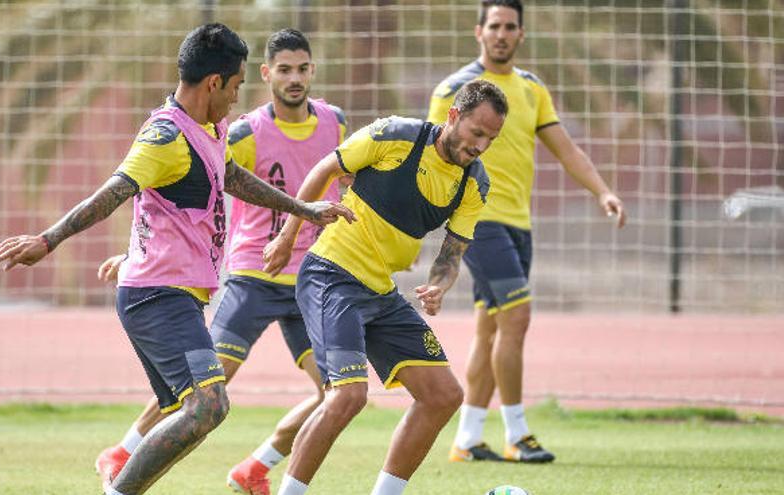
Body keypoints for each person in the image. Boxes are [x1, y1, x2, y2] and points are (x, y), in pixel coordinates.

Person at [0, 23, 353, 495]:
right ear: (214, 83)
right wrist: (50, 238)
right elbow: (116, 190)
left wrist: (303, 209)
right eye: (238, 85)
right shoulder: (164, 137)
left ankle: (121, 477)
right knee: (208, 406)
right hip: (155, 296)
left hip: (176, 294)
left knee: (200, 408)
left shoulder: (211, 129)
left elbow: (233, 177)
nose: (238, 97)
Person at [263, 80, 507, 495]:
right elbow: (325, 169)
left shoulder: (473, 183)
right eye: (476, 132)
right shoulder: (396, 135)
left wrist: (439, 285)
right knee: (347, 397)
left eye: (491, 138)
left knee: (444, 395)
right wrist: (287, 238)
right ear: (453, 117)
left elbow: (452, 255)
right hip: (331, 275)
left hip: (380, 293)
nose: (481, 145)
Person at [427, 0, 626, 464]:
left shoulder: (532, 89)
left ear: (521, 35)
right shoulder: (455, 89)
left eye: (510, 26)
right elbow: (434, 150)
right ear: (479, 32)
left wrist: (602, 192)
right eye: (493, 25)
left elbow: (567, 150)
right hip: (478, 220)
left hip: (519, 223)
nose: (501, 33)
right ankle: (517, 433)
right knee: (517, 316)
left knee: (491, 328)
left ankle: (468, 439)